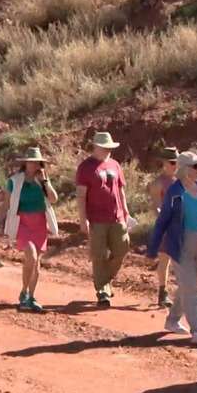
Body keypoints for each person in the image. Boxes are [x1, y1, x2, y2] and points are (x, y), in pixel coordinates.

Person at [147, 151, 197, 343]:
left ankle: (172, 320)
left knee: (188, 285)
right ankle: (196, 329)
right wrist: (152, 248)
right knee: (191, 288)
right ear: (183, 169)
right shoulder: (175, 191)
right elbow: (163, 220)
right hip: (181, 245)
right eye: (195, 166)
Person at [76, 131, 133, 307]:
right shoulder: (85, 167)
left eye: (110, 148)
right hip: (96, 218)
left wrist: (126, 212)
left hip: (117, 217)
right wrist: (83, 218)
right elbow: (81, 195)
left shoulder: (115, 165)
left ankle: (105, 280)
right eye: (105, 148)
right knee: (98, 255)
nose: (108, 151)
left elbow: (121, 191)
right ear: (96, 147)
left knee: (122, 249)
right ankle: (102, 290)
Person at [5, 147, 60, 312]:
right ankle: (25, 292)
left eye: (36, 162)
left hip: (39, 223)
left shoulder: (42, 180)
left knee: (35, 263)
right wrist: (0, 224)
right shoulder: (14, 181)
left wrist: (45, 181)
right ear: (25, 163)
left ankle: (29, 294)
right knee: (31, 256)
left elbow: (54, 199)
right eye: (30, 161)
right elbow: (6, 204)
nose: (33, 164)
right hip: (23, 222)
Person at [148, 147, 180, 308]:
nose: (176, 166)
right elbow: (157, 206)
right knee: (165, 260)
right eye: (173, 162)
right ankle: (163, 292)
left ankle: (188, 290)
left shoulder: (181, 181)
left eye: (178, 162)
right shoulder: (158, 183)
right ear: (164, 163)